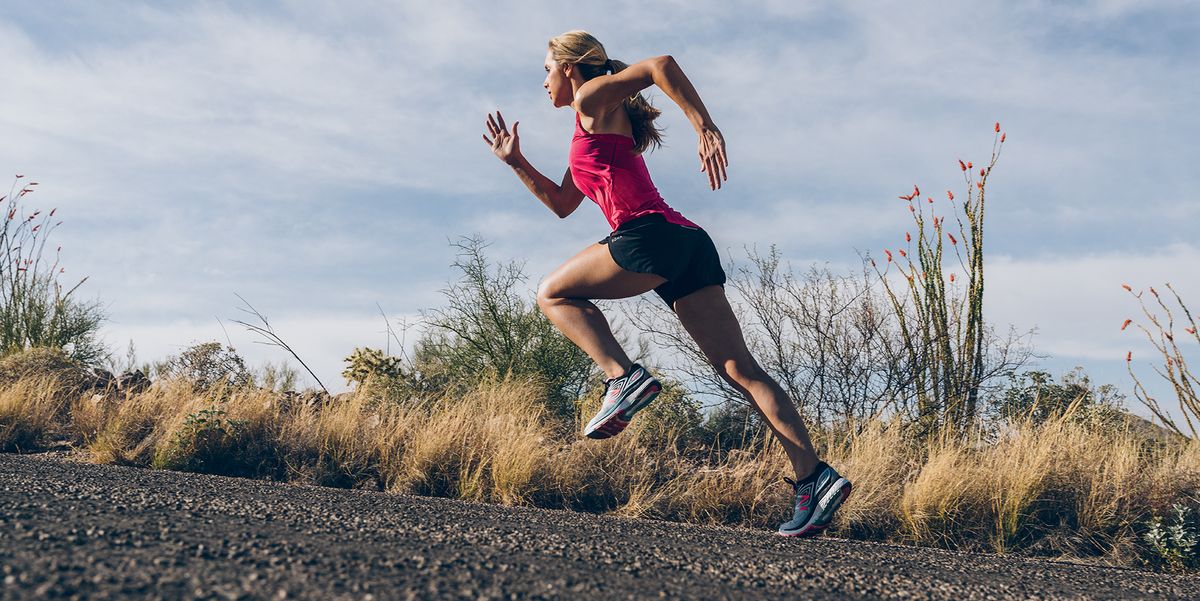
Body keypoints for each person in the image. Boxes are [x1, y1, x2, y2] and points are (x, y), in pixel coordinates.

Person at [481, 29, 851, 537]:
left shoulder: (590, 99)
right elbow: (563, 205)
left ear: (570, 67)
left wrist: (705, 126)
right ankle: (814, 478)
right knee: (740, 370)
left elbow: (661, 64)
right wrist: (516, 162)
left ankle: (622, 378)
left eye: (547, 70)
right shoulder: (589, 126)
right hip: (687, 243)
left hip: (649, 234)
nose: (544, 82)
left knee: (553, 293)